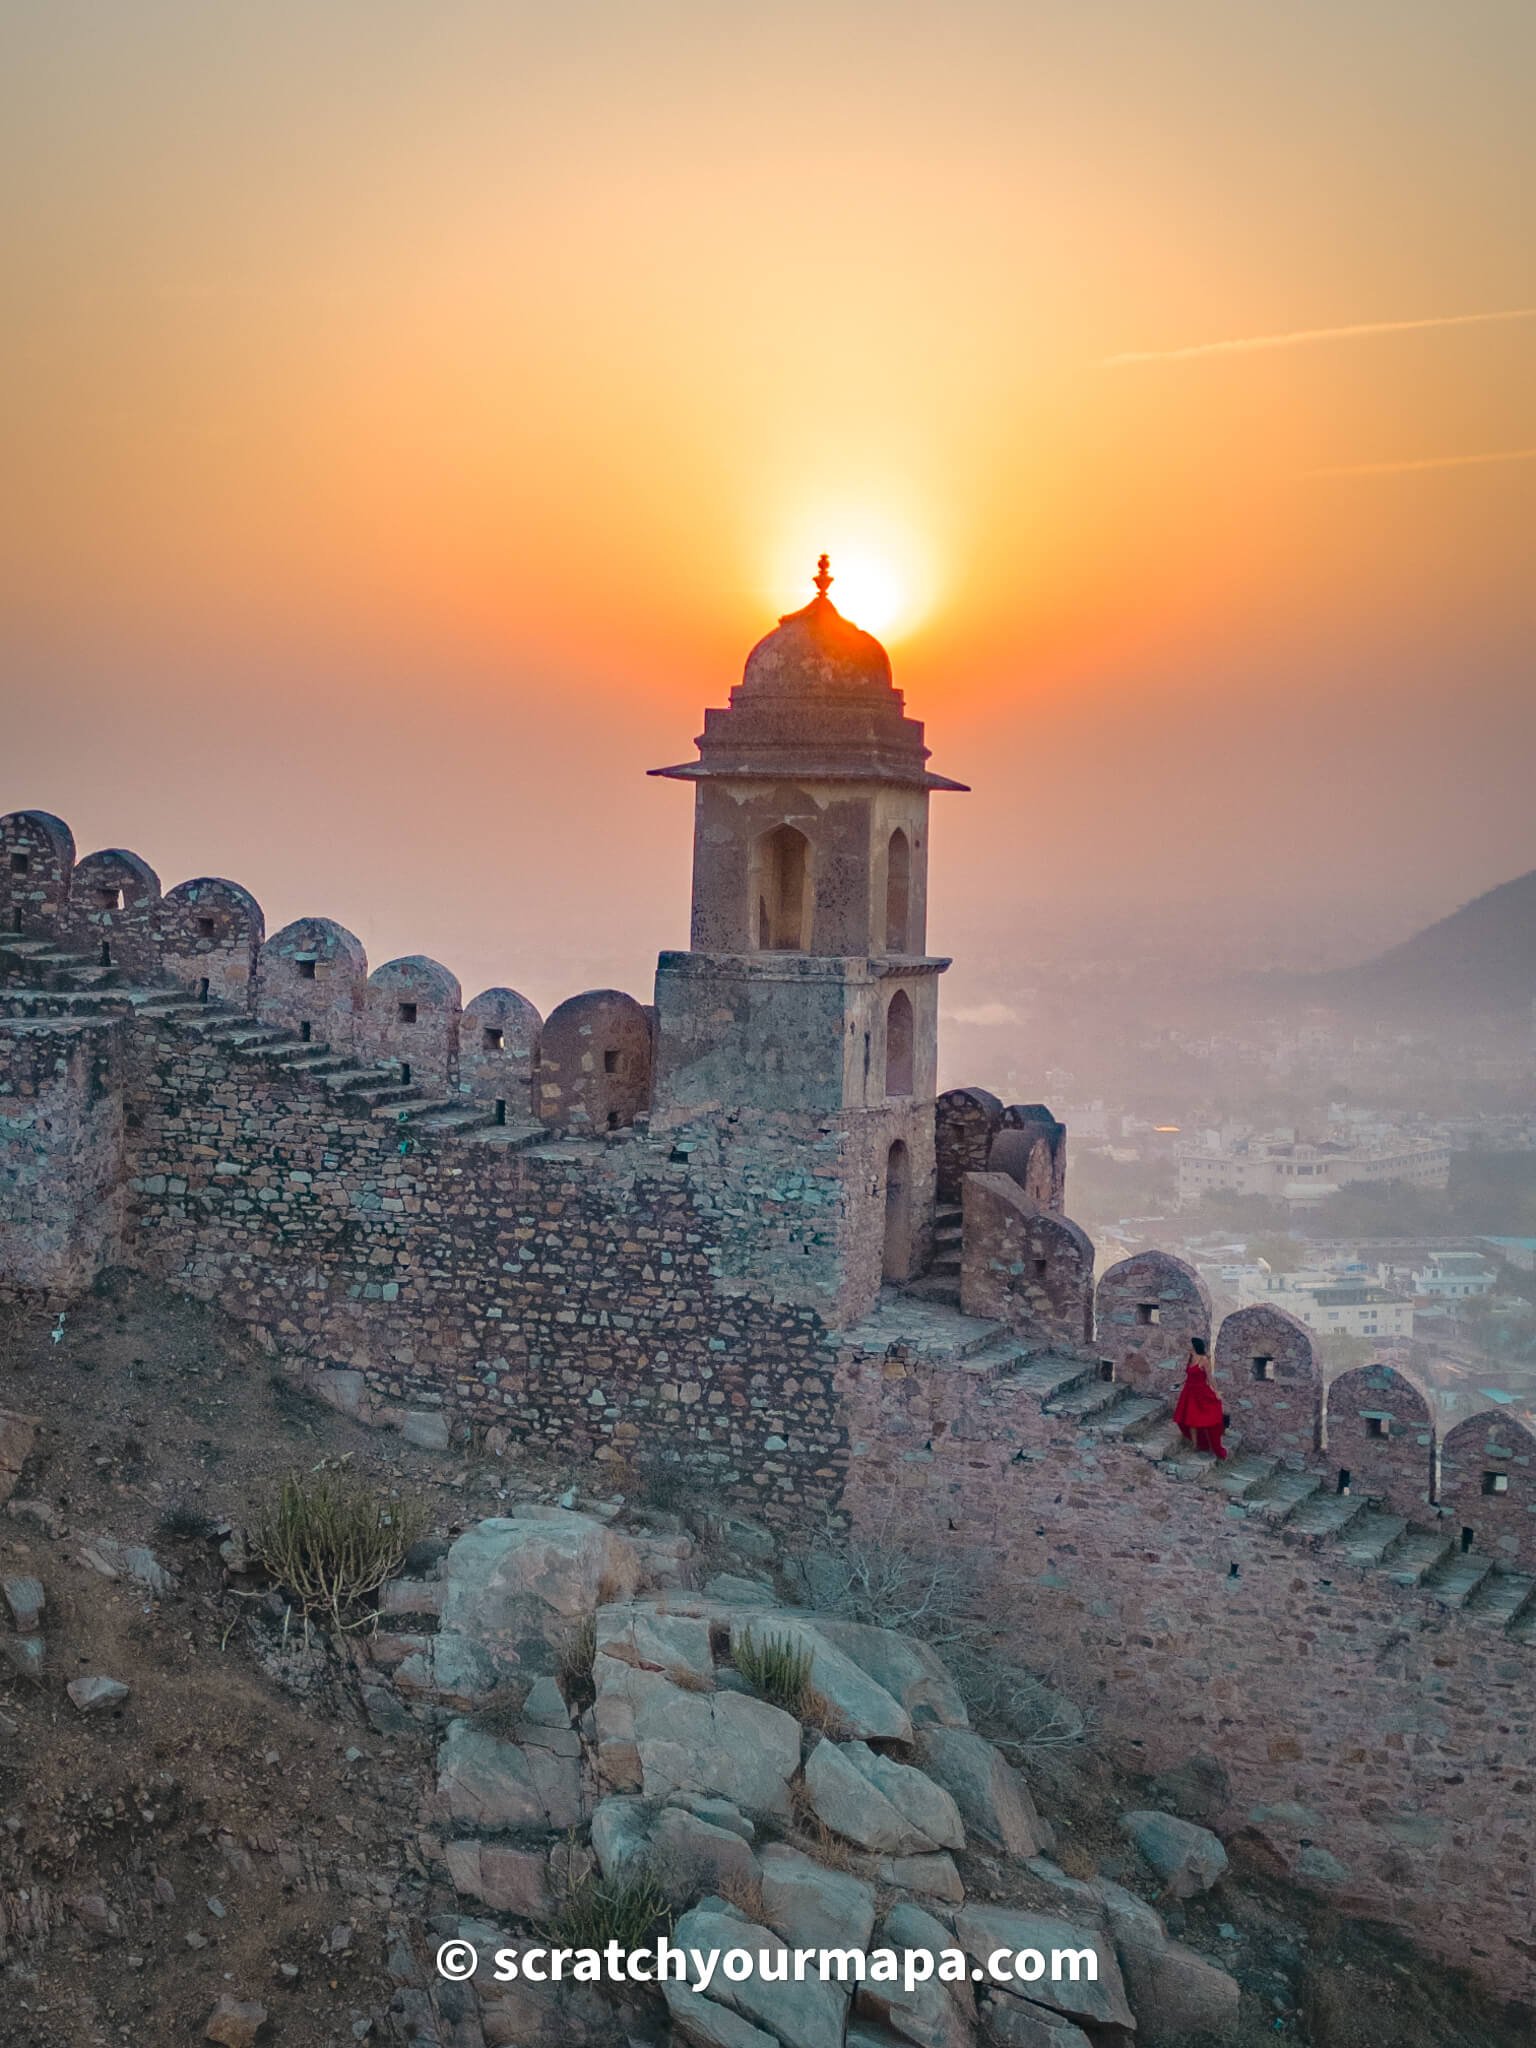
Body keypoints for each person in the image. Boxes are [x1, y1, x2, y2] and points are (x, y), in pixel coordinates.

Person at [1173, 1337, 1227, 1459]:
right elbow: (1189, 1375)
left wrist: (1216, 1391)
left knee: (1202, 1419)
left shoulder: (1203, 1360)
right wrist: (1180, 1383)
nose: (1187, 1345)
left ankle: (1206, 1443)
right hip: (1188, 1392)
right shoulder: (1190, 1357)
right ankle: (1195, 1445)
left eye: (1189, 1343)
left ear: (1194, 1346)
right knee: (1189, 1420)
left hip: (1201, 1392)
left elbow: (1210, 1378)